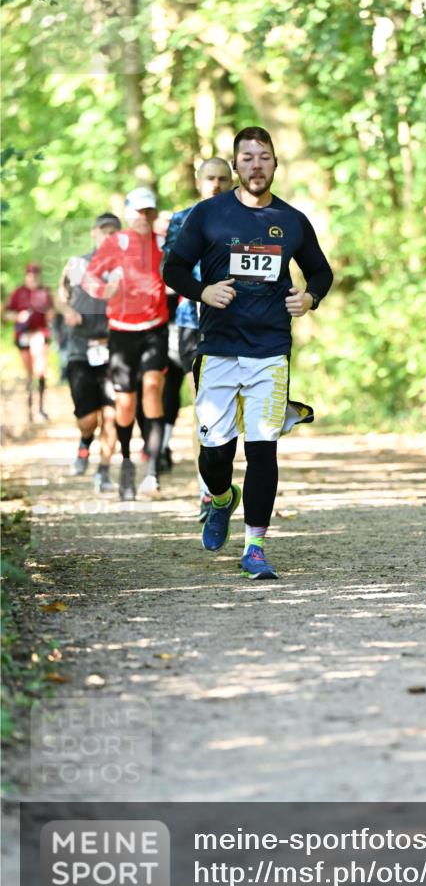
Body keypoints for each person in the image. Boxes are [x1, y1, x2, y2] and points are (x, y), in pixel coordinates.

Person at [163, 127, 333, 579]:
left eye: (265, 157)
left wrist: (310, 298)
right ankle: (220, 498)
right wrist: (204, 290)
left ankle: (255, 546)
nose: (256, 165)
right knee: (216, 453)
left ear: (275, 164)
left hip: (270, 348)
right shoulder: (209, 214)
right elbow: (173, 268)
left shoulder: (292, 220)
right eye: (248, 157)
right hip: (219, 347)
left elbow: (320, 271)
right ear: (235, 165)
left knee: (262, 449)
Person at [82, 187, 168, 501]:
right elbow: (89, 278)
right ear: (129, 213)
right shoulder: (115, 242)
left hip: (155, 329)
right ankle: (128, 463)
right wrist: (104, 290)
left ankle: (153, 473)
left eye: (150, 211)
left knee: (151, 387)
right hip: (121, 332)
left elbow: (182, 275)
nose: (144, 216)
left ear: (155, 214)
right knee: (126, 405)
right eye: (139, 211)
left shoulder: (163, 244)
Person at [163, 157, 234, 522]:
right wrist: (202, 290)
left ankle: (234, 485)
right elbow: (169, 270)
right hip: (194, 323)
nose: (217, 185)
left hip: (242, 324)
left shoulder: (246, 215)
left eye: (224, 178)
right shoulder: (182, 219)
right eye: (211, 179)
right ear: (198, 180)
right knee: (204, 409)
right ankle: (208, 489)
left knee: (236, 412)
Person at [56, 212, 121, 491]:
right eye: (103, 231)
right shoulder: (77, 264)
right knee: (87, 418)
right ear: (94, 233)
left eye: (113, 232)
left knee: (111, 415)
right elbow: (60, 295)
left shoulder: (125, 269)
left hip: (114, 349)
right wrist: (68, 309)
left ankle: (103, 471)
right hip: (80, 350)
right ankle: (85, 443)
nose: (108, 237)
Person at [5, 263, 54, 422]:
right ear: (26, 275)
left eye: (36, 274)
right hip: (23, 335)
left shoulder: (45, 292)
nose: (33, 277)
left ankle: (40, 408)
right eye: (30, 274)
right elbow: (6, 313)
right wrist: (18, 317)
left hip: (39, 334)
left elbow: (51, 313)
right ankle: (29, 409)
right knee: (29, 373)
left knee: (40, 369)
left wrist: (50, 316)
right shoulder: (18, 293)